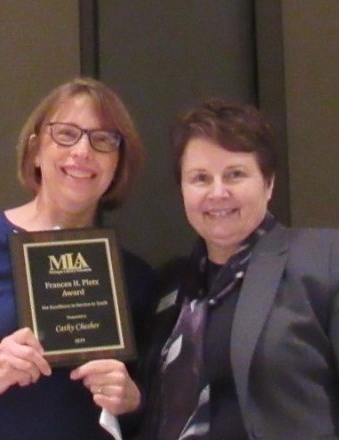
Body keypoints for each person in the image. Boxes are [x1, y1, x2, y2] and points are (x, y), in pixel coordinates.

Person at [0, 77, 154, 440]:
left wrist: (132, 402)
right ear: (35, 150)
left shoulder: (134, 277)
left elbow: (162, 403)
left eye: (103, 140)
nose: (82, 151)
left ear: (117, 164)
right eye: (66, 133)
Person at [137, 98, 339, 439]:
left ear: (269, 183)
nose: (218, 192)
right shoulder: (169, 286)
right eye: (200, 178)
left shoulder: (324, 259)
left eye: (235, 174)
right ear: (182, 190)